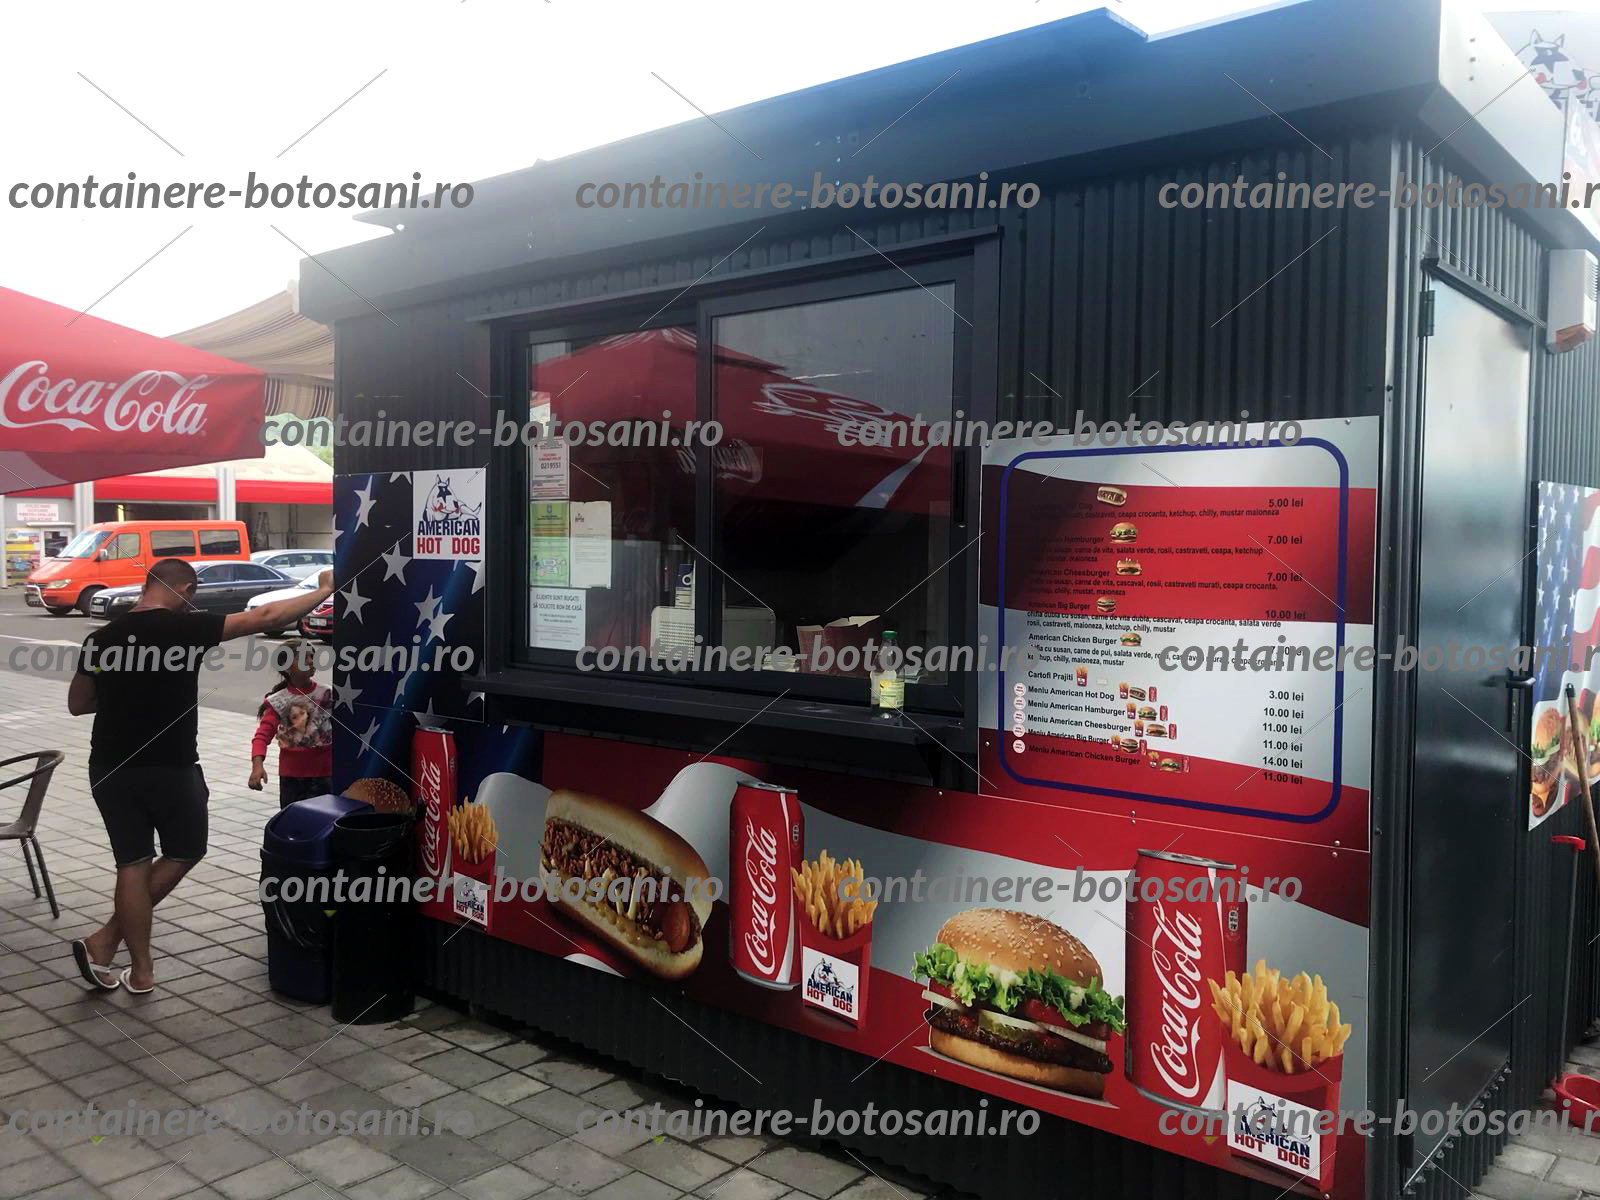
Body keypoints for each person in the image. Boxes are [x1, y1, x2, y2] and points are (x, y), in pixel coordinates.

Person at [67, 560, 337, 993]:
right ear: (187, 590)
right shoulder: (184, 627)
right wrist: (322, 591)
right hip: (169, 765)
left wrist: (124, 697)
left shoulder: (100, 638)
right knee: (186, 849)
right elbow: (266, 617)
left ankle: (132, 964)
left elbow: (78, 704)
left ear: (146, 586)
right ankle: (110, 944)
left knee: (132, 863)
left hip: (109, 767)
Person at [249, 638, 333, 807]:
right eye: (304, 657)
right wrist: (257, 766)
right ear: (287, 667)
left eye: (312, 656)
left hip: (325, 775)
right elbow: (262, 736)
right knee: (293, 820)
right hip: (291, 779)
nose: (311, 661)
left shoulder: (327, 695)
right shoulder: (277, 701)